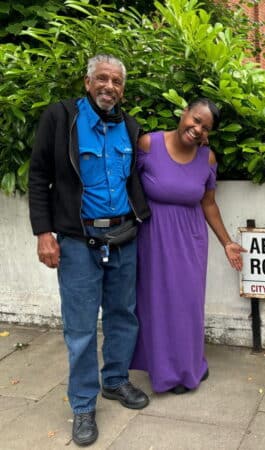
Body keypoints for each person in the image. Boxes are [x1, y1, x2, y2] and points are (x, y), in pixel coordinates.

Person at [28, 54, 152, 446]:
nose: (109, 87)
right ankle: (83, 404)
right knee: (80, 328)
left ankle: (115, 381)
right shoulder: (61, 119)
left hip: (124, 236)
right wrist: (43, 232)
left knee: (123, 315)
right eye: (102, 79)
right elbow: (39, 177)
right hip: (78, 240)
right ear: (87, 82)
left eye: (116, 82)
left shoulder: (130, 128)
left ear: (122, 90)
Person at [130, 98, 245, 395]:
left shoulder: (206, 158)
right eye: (195, 120)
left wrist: (227, 242)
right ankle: (164, 371)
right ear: (184, 114)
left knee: (187, 305)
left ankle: (190, 366)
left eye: (204, 127)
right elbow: (127, 186)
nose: (197, 129)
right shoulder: (148, 144)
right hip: (153, 238)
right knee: (155, 303)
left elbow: (209, 204)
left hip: (191, 241)